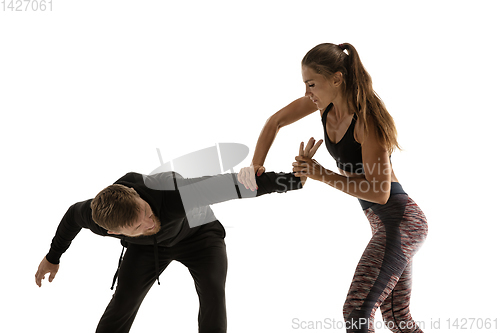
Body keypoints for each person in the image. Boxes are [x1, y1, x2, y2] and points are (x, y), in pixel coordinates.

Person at [237, 43, 428, 333]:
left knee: (356, 312)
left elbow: (380, 192)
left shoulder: (367, 122)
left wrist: (322, 174)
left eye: (311, 84)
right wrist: (256, 165)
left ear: (337, 78)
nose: (307, 93)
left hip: (401, 221)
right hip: (385, 224)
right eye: (305, 85)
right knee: (397, 317)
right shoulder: (323, 105)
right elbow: (275, 121)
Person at [35, 166, 310, 333]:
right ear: (113, 232)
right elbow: (71, 216)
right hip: (147, 250)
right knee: (123, 303)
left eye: (144, 211)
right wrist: (52, 257)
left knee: (213, 293)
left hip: (201, 236)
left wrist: (293, 181)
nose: (149, 221)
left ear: (136, 195)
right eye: (137, 225)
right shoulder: (95, 217)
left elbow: (231, 186)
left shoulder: (171, 195)